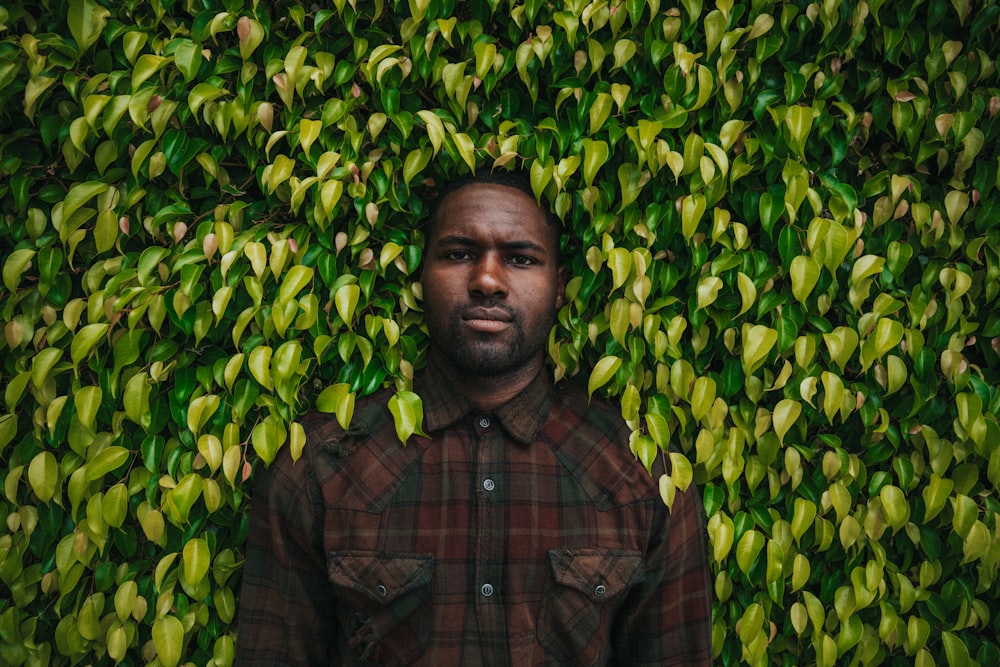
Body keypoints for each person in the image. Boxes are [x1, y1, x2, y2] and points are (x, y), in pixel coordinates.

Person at [235, 172, 713, 665]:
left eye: (521, 259)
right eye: (459, 254)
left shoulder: (641, 472)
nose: (487, 280)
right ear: (422, 277)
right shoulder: (320, 462)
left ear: (560, 288)